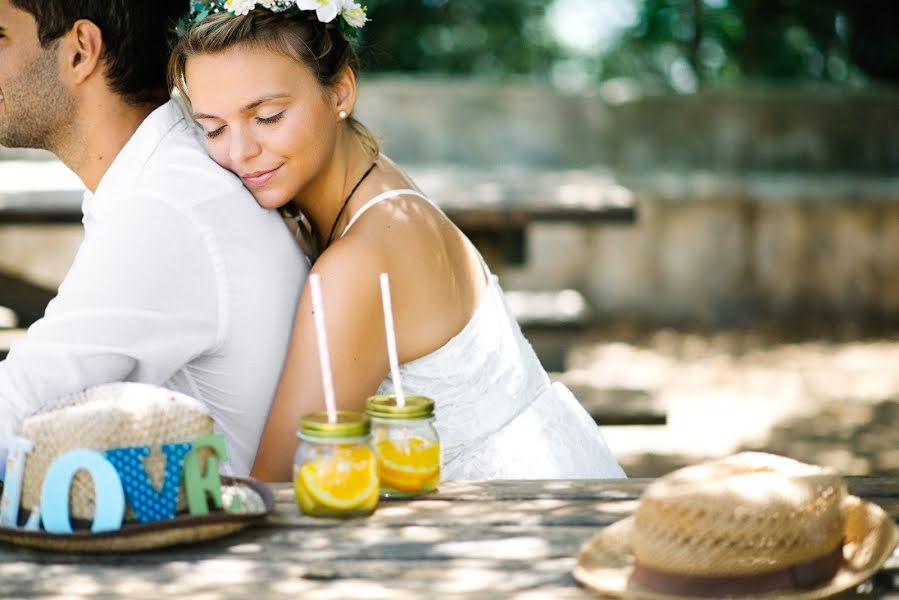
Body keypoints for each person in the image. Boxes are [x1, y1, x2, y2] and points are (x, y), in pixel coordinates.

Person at [171, 1, 626, 482]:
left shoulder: (359, 260)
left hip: (514, 510)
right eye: (213, 128)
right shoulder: (380, 182)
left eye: (267, 117)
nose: (239, 151)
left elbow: (279, 485)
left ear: (340, 92)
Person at [0, 0, 308, 476]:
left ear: (81, 50)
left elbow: (17, 413)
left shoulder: (165, 204)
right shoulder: (164, 173)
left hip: (231, 538)